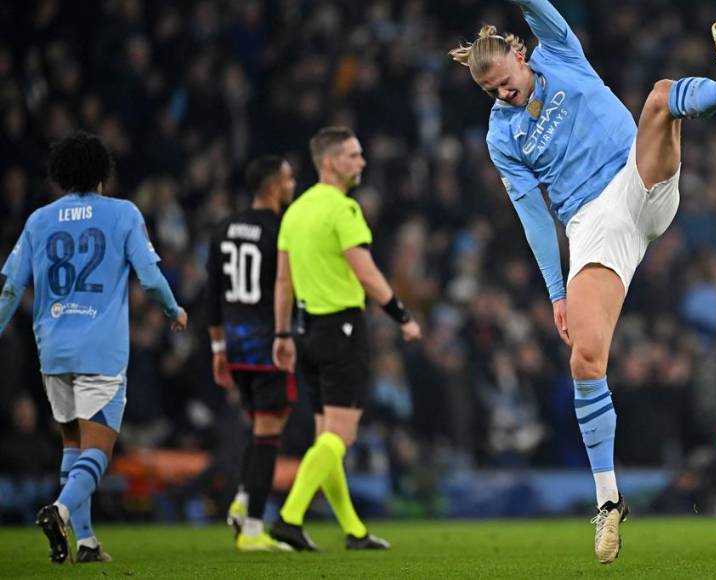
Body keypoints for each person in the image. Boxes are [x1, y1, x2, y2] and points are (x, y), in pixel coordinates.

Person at [449, 0, 716, 563]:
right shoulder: (503, 136)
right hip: (592, 225)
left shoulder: (559, 51)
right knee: (585, 360)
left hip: (636, 177)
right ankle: (609, 502)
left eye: (505, 82)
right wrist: (556, 291)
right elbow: (532, 216)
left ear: (521, 55)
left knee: (662, 96)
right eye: (491, 92)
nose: (503, 95)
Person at [0, 131, 187, 564]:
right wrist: (173, 310)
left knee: (73, 447)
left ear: (59, 174)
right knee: (98, 452)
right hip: (99, 350)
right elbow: (152, 278)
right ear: (104, 172)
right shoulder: (123, 214)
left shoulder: (38, 220)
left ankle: (85, 543)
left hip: (53, 350)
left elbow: (11, 290)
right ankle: (60, 511)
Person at [269, 126, 422, 552]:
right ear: (331, 162)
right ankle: (289, 517)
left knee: (327, 437)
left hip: (305, 332)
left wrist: (282, 333)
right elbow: (366, 271)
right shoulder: (343, 210)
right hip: (342, 331)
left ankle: (353, 531)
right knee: (342, 436)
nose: (362, 162)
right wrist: (402, 316)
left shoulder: (294, 212)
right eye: (354, 155)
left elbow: (283, 282)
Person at [207, 155, 296, 552]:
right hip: (268, 340)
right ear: (274, 185)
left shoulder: (224, 227)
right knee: (268, 433)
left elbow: (213, 293)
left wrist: (217, 347)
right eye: (289, 179)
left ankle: (243, 501)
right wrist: (284, 334)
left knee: (260, 425)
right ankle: (254, 528)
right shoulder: (280, 229)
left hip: (235, 342)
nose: (292, 185)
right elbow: (284, 286)